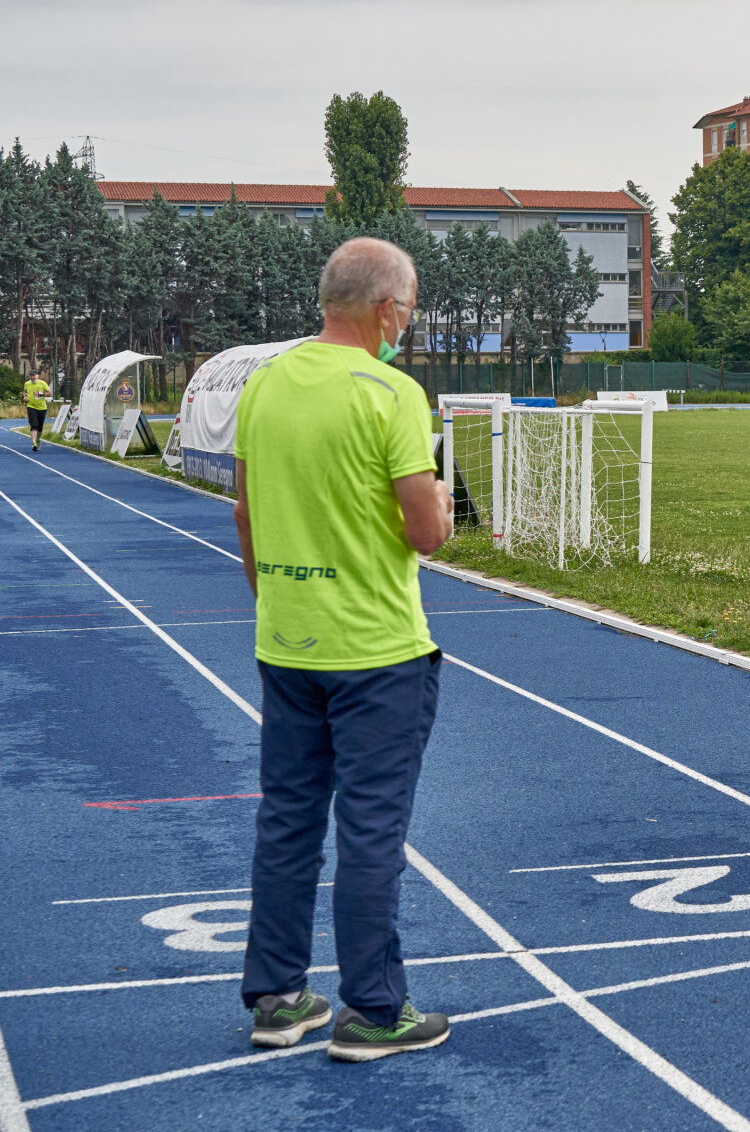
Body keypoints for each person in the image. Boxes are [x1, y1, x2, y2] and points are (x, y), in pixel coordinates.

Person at [232, 237, 456, 1062]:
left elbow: (245, 516)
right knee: (371, 830)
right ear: (386, 308)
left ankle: (278, 997)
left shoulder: (265, 383)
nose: (410, 322)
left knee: (287, 819)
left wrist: (279, 601)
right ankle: (373, 1009)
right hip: (377, 648)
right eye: (412, 307)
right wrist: (439, 505)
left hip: (287, 640)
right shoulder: (391, 392)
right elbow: (427, 533)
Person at [22, 369, 50, 450]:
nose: (32, 377)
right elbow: (25, 392)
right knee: (34, 425)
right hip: (31, 406)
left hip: (42, 407)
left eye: (34, 375)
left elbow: (49, 393)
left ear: (37, 376)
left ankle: (37, 440)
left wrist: (40, 394)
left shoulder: (42, 383)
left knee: (40, 427)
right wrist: (25, 397)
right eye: (31, 375)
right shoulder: (27, 384)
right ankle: (34, 443)